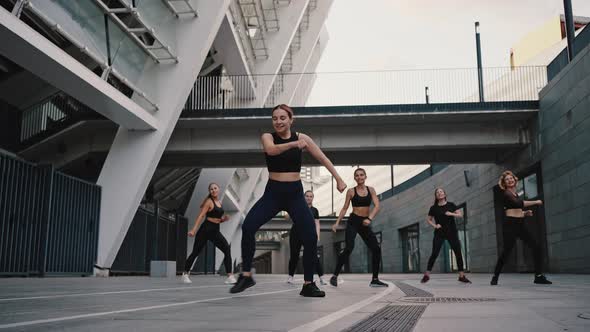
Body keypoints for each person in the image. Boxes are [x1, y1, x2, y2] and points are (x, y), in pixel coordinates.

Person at [230, 104, 346, 297]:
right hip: (273, 193)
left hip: (294, 194)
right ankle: (247, 276)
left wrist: (339, 179)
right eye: (275, 118)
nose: (278, 121)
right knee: (248, 226)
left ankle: (308, 284)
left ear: (291, 120)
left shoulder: (303, 138)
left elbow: (322, 158)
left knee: (309, 237)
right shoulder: (268, 137)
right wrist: (293, 145)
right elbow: (272, 151)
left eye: (283, 118)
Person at [330, 168, 388, 288]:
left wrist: (369, 218)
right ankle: (335, 275)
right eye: (357, 175)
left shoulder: (371, 190)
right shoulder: (351, 191)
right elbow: (345, 208)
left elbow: (377, 206)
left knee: (376, 249)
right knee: (349, 248)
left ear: (365, 176)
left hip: (365, 222)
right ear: (355, 178)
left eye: (362, 175)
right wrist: (337, 222)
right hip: (353, 221)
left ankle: (375, 279)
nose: (359, 177)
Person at [491, 170, 551, 285]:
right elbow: (518, 205)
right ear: (504, 183)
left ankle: (538, 276)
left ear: (515, 179)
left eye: (511, 178)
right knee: (506, 252)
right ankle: (495, 276)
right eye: (507, 179)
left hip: (520, 225)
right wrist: (536, 202)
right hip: (510, 226)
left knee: (536, 247)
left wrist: (524, 213)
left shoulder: (516, 194)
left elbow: (515, 209)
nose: (510, 180)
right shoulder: (506, 193)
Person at [182, 183, 235, 284]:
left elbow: (217, 220)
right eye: (211, 189)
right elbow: (201, 216)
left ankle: (230, 276)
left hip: (215, 231)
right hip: (205, 230)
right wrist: (194, 229)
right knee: (195, 252)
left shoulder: (219, 202)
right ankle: (185, 274)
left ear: (219, 189)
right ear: (210, 192)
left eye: (215, 188)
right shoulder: (209, 202)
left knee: (226, 249)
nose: (213, 190)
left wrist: (223, 219)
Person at [420, 188, 471, 284]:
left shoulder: (451, 205)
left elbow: (460, 215)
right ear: (436, 196)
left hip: (452, 232)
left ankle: (461, 276)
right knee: (434, 253)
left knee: (458, 253)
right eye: (437, 193)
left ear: (444, 194)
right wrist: (435, 226)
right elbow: (429, 219)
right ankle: (427, 275)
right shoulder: (433, 208)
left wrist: (451, 213)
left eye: (441, 192)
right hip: (439, 233)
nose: (439, 193)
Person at [287, 190, 327, 285]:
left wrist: (318, 236)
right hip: (296, 233)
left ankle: (321, 277)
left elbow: (317, 223)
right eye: (307, 196)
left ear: (313, 198)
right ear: (304, 197)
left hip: (309, 234)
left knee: (313, 256)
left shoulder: (314, 210)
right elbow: (287, 217)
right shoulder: (297, 207)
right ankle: (290, 276)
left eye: (310, 196)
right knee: (294, 255)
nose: (308, 198)